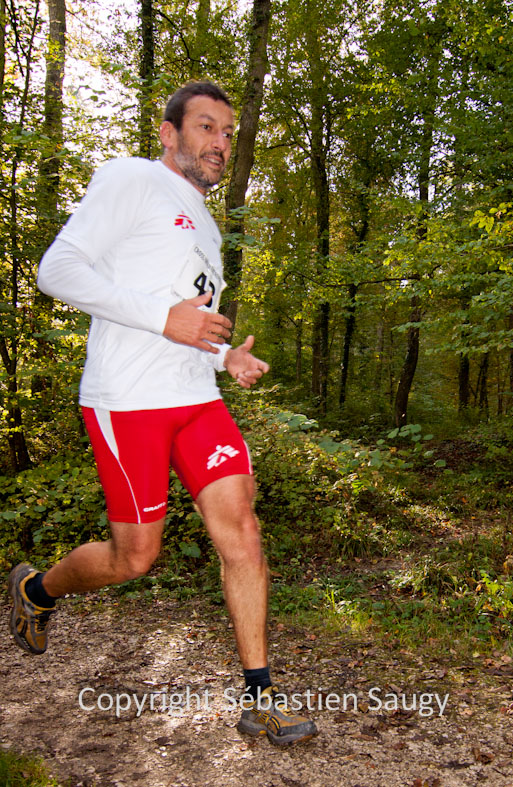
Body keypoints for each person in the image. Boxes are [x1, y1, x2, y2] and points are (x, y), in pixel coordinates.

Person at [8, 81, 317, 746]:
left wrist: (223, 356)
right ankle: (37, 590)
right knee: (134, 557)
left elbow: (187, 317)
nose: (220, 142)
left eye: (227, 133)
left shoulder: (205, 220)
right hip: (130, 401)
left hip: (196, 400)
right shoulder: (132, 179)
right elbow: (56, 271)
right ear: (168, 133)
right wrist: (163, 318)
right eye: (206, 127)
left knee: (243, 534)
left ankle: (261, 696)